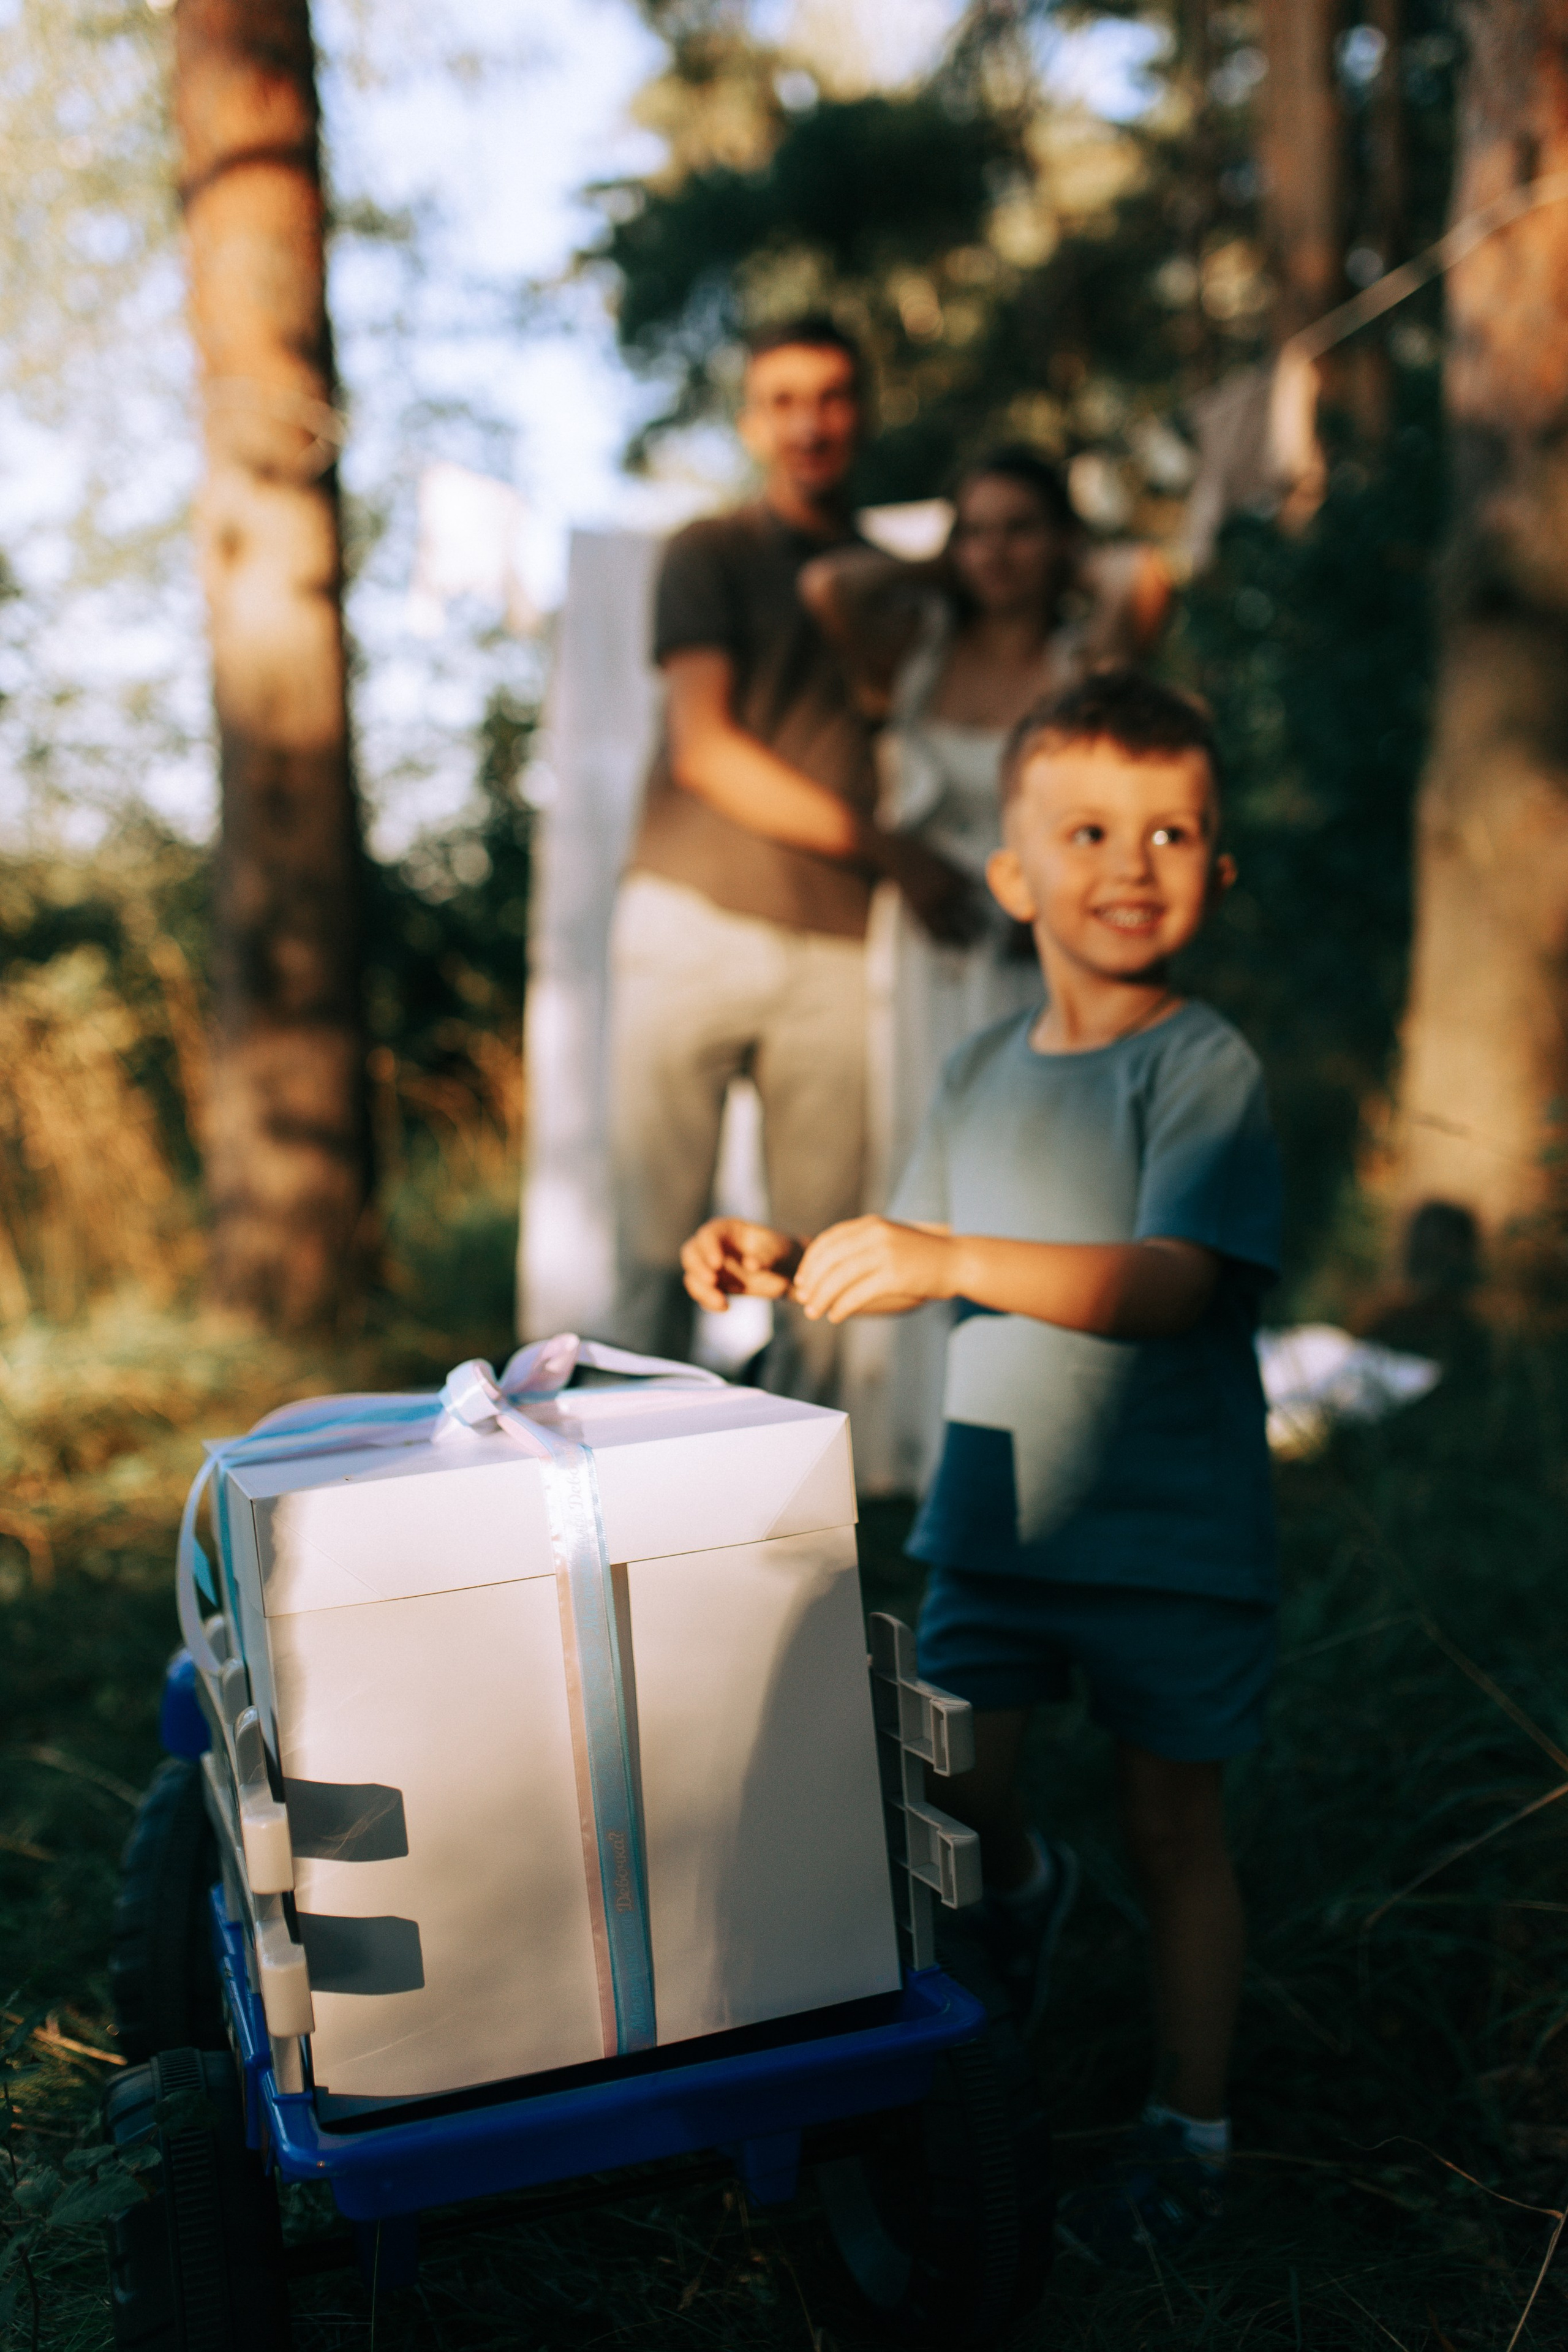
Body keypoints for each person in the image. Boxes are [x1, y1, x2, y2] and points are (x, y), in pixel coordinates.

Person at [679, 669, 1281, 2259]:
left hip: (1171, 1537)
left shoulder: (1200, 1064)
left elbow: (1170, 1283)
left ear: (1217, 872)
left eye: (1173, 831)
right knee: (952, 1789)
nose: (1133, 862)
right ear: (1012, 880)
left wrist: (943, 1252)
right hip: (998, 1520)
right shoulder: (976, 1073)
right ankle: (1020, 1899)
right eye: (1088, 829)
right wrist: (786, 1252)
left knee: (1177, 1832)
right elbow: (918, 1250)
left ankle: (1191, 2133)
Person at [606, 314, 973, 1403]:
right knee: (656, 1247)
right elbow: (707, 749)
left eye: (832, 397)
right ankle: (627, 1520)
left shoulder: (901, 585)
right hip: (691, 924)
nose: (810, 423)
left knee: (823, 1256)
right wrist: (890, 851)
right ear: (752, 420)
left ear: (862, 413)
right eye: (784, 400)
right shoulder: (709, 551)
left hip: (836, 950)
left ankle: (799, 1536)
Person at [797, 448, 1170, 1483]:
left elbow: (1151, 578)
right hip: (927, 944)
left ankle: (1047, 1440)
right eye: (977, 531)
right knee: (923, 1167)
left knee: (1048, 1175)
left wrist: (1073, 565)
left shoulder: (1084, 662)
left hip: (1037, 953)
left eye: (1021, 529)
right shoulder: (910, 653)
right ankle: (917, 1449)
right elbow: (828, 584)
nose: (996, 553)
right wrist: (935, 570)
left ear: (1061, 541)